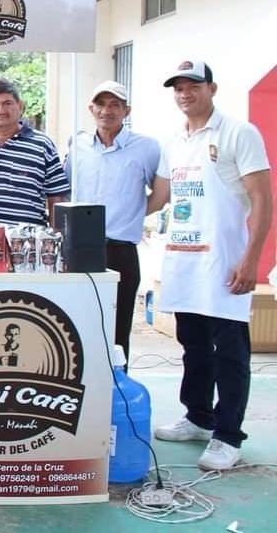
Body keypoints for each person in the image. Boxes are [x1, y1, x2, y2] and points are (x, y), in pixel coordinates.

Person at [148, 61, 272, 471]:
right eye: (178, 88)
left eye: (194, 86)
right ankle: (199, 417)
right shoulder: (174, 141)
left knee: (230, 352)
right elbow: (159, 198)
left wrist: (251, 259)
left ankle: (228, 436)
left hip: (224, 264)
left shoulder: (238, 132)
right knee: (194, 347)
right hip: (185, 263)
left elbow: (262, 199)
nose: (185, 93)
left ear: (212, 89)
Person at [63, 80, 159, 366]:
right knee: (78, 323)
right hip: (80, 250)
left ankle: (117, 384)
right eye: (101, 104)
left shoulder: (146, 148)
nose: (107, 110)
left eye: (115, 104)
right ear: (91, 109)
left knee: (118, 328)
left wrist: (134, 214)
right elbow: (65, 191)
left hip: (121, 250)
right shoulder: (77, 146)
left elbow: (161, 192)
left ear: (126, 110)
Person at [0, 78, 69, 225]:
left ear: (20, 106)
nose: (1, 111)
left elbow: (56, 196)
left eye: (7, 103)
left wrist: (57, 234)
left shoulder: (43, 145)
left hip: (28, 237)